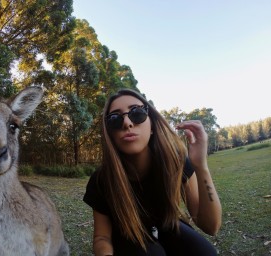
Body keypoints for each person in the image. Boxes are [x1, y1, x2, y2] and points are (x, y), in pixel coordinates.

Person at [83, 89, 222, 256]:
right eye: (115, 119)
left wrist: (200, 166)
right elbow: (101, 237)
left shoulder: (174, 161)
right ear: (110, 135)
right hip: (127, 233)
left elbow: (211, 226)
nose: (127, 123)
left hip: (168, 226)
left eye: (137, 113)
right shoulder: (102, 180)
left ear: (152, 126)